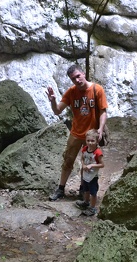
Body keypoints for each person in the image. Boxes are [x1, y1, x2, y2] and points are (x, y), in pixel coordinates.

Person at [46, 64, 108, 201]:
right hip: (76, 133)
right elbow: (57, 110)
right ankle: (61, 189)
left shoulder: (97, 90)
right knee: (68, 160)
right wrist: (53, 101)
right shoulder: (71, 92)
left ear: (83, 74)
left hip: (90, 135)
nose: (77, 80)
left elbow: (103, 112)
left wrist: (101, 129)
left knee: (87, 162)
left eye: (78, 76)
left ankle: (83, 189)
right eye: (73, 79)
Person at [75, 129, 104, 216]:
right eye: (88, 140)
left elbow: (102, 164)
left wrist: (92, 166)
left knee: (93, 192)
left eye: (92, 141)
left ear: (97, 141)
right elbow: (82, 158)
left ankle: (92, 208)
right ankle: (86, 202)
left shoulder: (98, 152)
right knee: (86, 190)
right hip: (85, 174)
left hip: (93, 176)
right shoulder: (84, 149)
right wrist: (83, 165)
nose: (90, 143)